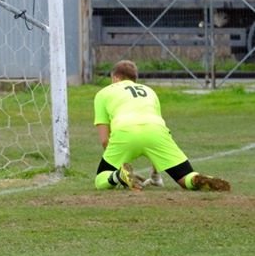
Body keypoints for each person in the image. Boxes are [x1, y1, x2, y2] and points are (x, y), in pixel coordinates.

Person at [93, 60, 230, 192]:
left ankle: (118, 176)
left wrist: (118, 163)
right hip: (156, 131)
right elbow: (161, 126)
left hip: (125, 132)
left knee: (101, 179)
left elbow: (105, 140)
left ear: (115, 77)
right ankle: (198, 179)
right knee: (185, 177)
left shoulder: (103, 93)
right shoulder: (149, 91)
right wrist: (155, 175)